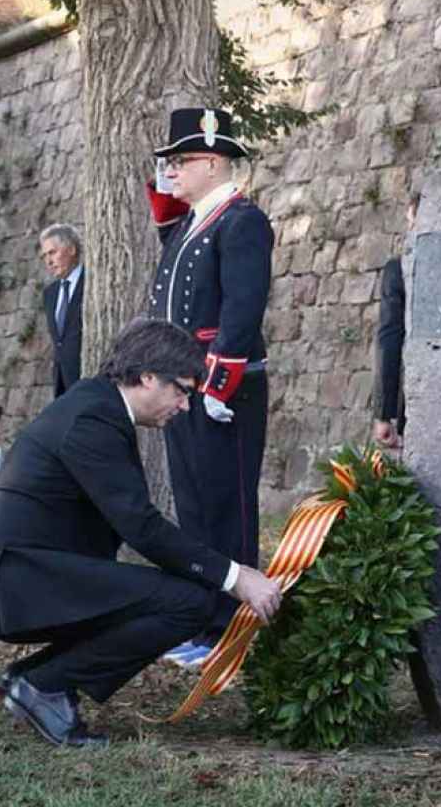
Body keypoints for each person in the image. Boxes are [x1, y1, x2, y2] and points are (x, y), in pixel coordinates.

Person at [0, 318, 283, 748]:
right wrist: (237, 577)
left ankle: (34, 680)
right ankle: (44, 686)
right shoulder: (93, 419)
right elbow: (141, 526)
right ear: (146, 377)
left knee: (170, 593)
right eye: (181, 390)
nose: (184, 406)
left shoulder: (97, 406)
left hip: (30, 573)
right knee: (190, 603)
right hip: (14, 582)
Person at [142, 107, 274, 667]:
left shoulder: (241, 221)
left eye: (183, 160)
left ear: (215, 161)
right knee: (194, 507)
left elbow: (242, 311)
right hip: (184, 385)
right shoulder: (195, 220)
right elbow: (164, 206)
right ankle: (204, 620)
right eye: (170, 162)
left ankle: (233, 628)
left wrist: (219, 386)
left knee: (227, 508)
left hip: (223, 390)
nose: (172, 171)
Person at [372, 186, 420, 450]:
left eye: (412, 224)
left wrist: (384, 413)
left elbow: (389, 339)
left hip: (416, 405)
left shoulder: (400, 270)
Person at [38, 223, 85, 398]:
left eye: (52, 253)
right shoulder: (50, 294)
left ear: (72, 249)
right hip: (62, 385)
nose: (48, 261)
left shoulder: (92, 284)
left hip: (88, 379)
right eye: (44, 256)